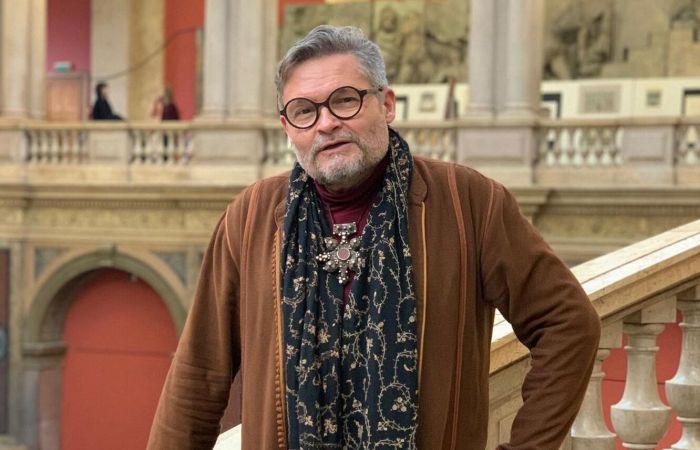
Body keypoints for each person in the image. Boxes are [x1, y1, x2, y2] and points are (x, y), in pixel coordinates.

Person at [147, 25, 600, 450]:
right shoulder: (251, 218)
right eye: (304, 111)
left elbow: (567, 323)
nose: (326, 123)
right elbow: (198, 375)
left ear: (386, 104)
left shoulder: (469, 203)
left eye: (345, 100)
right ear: (288, 128)